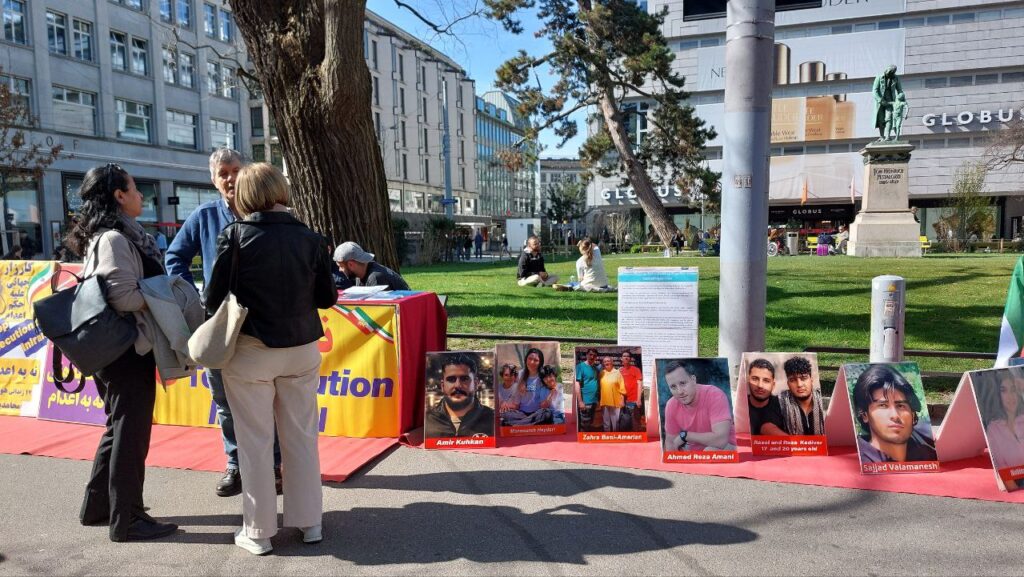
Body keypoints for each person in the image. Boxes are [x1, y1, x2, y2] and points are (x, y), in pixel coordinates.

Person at [205, 162, 336, 555]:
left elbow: (213, 299)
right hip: (301, 348)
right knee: (301, 437)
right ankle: (310, 522)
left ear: (245, 196)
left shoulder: (235, 235)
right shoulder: (312, 239)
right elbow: (327, 298)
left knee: (255, 442)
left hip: (251, 350)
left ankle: (259, 533)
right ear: (281, 190)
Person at [67, 163, 177, 542]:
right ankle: (127, 518)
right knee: (131, 432)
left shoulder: (107, 235)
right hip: (127, 349)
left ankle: (99, 506)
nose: (141, 195)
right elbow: (122, 296)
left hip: (112, 349)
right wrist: (164, 293)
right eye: (134, 189)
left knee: (117, 427)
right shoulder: (115, 239)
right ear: (118, 195)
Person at [165, 148, 282, 498]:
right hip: (220, 324)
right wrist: (195, 299)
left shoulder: (265, 213)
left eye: (236, 170)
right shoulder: (203, 216)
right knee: (224, 400)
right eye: (223, 173)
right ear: (213, 180)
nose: (230, 178)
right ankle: (236, 465)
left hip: (263, 325)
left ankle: (274, 465)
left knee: (269, 397)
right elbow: (175, 259)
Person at [853, 364, 937, 463]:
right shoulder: (863, 461)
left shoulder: (928, 454)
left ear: (913, 414)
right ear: (864, 415)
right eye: (883, 406)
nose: (895, 415)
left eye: (901, 406)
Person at [661, 361, 737, 452]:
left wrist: (686, 435)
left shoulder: (715, 395)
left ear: (693, 380)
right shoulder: (671, 405)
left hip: (727, 446)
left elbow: (721, 441)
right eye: (673, 387)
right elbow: (670, 443)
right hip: (695, 451)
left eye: (683, 383)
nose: (679, 391)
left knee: (709, 451)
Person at [424, 353, 495, 438]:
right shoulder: (428, 421)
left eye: (464, 379)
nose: (458, 385)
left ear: (476, 384)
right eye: (451, 379)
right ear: (442, 386)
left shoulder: (492, 419)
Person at [978, 370, 1024, 490]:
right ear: (997, 395)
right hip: (1016, 486)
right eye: (1004, 390)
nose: (1011, 396)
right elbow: (1003, 472)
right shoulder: (994, 430)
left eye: (1013, 389)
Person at [503, 348, 554, 425]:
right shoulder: (519, 375)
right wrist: (506, 403)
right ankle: (528, 424)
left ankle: (520, 425)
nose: (532, 362)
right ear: (526, 359)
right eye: (530, 359)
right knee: (506, 415)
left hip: (537, 413)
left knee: (547, 414)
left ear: (540, 362)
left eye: (536, 360)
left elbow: (544, 405)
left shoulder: (543, 376)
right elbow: (515, 401)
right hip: (521, 413)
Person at [333, 241, 410, 291]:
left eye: (341, 266)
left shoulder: (376, 277)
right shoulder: (361, 274)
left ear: (350, 264)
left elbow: (379, 312)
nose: (340, 270)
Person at [778, 357, 825, 436]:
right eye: (792, 380)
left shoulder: (822, 400)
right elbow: (768, 425)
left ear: (811, 380)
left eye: (803, 378)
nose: (799, 385)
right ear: (788, 383)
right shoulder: (780, 402)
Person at [746, 358, 786, 436]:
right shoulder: (738, 407)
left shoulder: (784, 406)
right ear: (748, 381)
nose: (760, 385)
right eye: (755, 379)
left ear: (773, 385)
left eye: (766, 381)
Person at [598, 356, 626, 432]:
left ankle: (615, 436)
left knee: (615, 421)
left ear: (612, 362)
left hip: (616, 401)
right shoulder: (602, 373)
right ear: (603, 363)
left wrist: (622, 400)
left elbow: (622, 387)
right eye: (605, 361)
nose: (607, 362)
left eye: (608, 361)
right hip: (604, 401)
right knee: (606, 422)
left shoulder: (617, 373)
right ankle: (607, 437)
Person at [575, 348, 600, 430]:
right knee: (584, 424)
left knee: (590, 422)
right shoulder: (580, 367)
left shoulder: (595, 368)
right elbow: (577, 384)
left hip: (594, 401)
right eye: (590, 354)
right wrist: (580, 401)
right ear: (586, 355)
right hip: (585, 401)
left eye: (594, 355)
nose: (592, 357)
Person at [619, 350, 642, 422]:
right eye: (624, 356)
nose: (626, 358)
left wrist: (638, 399)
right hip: (623, 401)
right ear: (621, 358)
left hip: (634, 400)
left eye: (628, 356)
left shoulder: (636, 370)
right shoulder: (619, 370)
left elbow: (640, 384)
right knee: (625, 421)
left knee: (635, 421)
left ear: (630, 359)